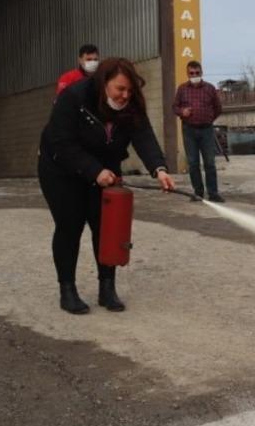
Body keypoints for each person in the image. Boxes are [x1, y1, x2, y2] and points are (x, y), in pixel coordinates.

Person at [39, 57, 175, 314]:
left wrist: (159, 169)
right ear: (104, 84)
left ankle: (107, 288)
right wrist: (93, 170)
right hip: (61, 168)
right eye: (120, 89)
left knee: (106, 226)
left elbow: (143, 135)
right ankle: (67, 290)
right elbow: (61, 142)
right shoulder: (74, 97)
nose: (125, 96)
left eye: (130, 91)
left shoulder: (131, 105)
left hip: (105, 167)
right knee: (70, 225)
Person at [172, 60, 223, 202]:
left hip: (206, 130)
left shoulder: (210, 88)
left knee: (210, 163)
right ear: (187, 74)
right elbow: (174, 107)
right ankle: (198, 192)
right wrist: (182, 111)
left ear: (201, 72)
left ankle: (213, 193)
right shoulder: (182, 89)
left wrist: (209, 118)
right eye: (191, 73)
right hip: (189, 130)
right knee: (193, 163)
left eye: (197, 73)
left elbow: (218, 108)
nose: (194, 75)